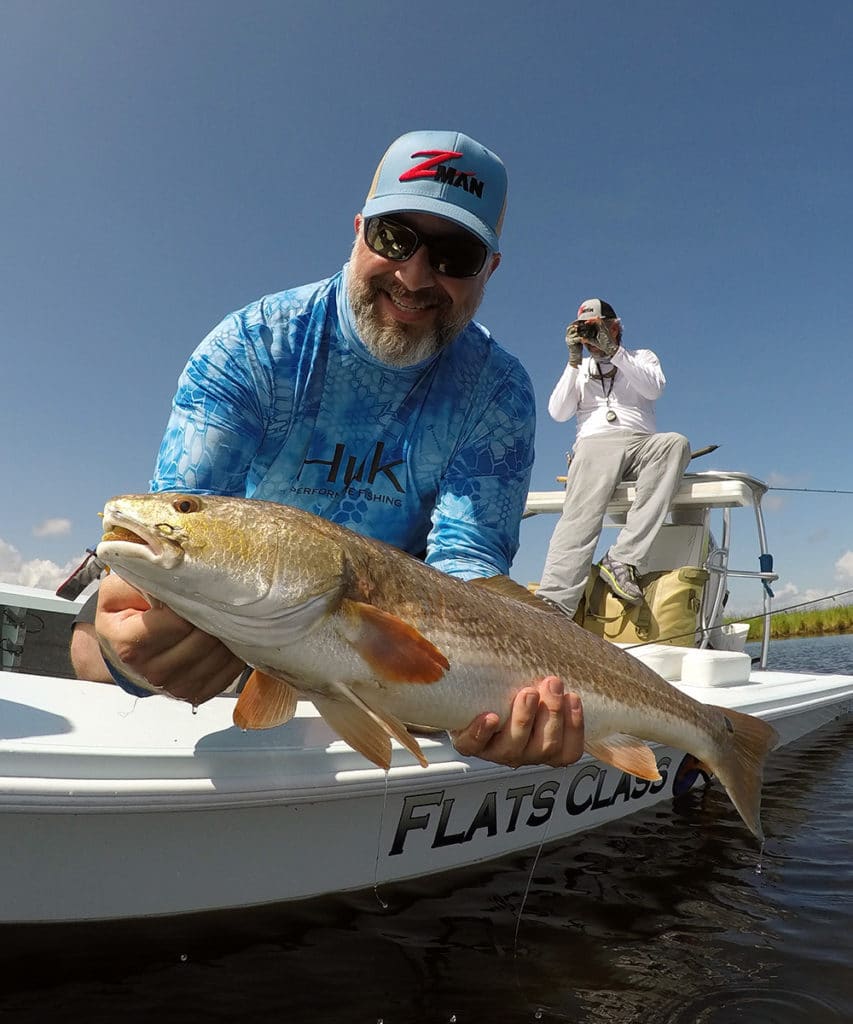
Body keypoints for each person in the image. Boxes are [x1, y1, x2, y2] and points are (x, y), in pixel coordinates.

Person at [71, 129, 584, 769]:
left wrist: (484, 696)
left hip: (395, 649)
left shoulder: (498, 391)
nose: (415, 276)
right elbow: (190, 512)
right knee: (95, 647)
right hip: (249, 630)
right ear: (359, 228)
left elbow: (468, 565)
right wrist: (132, 641)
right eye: (394, 237)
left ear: (491, 269)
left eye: (455, 255)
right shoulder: (252, 347)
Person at [536, 298, 691, 619]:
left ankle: (622, 558)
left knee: (675, 443)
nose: (592, 338)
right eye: (585, 331)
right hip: (595, 444)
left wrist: (615, 354)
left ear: (616, 327)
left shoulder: (641, 356)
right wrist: (573, 360)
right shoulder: (579, 369)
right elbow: (558, 411)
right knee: (581, 517)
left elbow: (654, 389)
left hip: (641, 444)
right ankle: (555, 603)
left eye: (598, 329)